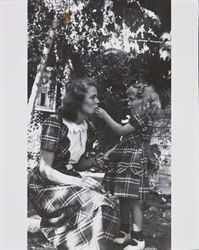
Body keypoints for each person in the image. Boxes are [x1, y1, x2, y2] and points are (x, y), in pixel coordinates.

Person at [28, 77, 120, 250]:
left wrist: (96, 161)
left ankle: (85, 242)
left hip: (68, 181)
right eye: (93, 97)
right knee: (96, 201)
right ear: (77, 101)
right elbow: (45, 170)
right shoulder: (54, 124)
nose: (98, 101)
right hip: (45, 186)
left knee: (108, 201)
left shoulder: (87, 127)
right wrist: (80, 181)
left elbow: (76, 164)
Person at [95, 82, 161, 250]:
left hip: (134, 161)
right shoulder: (138, 117)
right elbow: (126, 140)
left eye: (131, 100)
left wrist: (105, 116)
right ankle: (125, 232)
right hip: (126, 159)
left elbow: (120, 131)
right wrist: (110, 152)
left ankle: (138, 239)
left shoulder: (143, 116)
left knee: (133, 201)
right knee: (123, 197)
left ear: (142, 100)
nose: (129, 103)